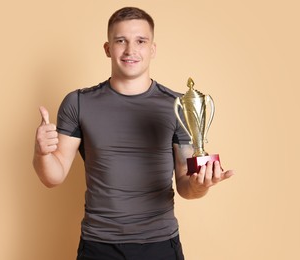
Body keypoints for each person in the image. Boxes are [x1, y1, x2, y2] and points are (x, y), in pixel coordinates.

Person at [33, 6, 234, 260]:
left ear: (152, 49)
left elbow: (186, 186)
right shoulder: (78, 103)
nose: (130, 50)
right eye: (120, 41)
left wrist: (199, 185)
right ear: (108, 48)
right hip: (98, 245)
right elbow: (54, 175)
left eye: (140, 41)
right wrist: (41, 153)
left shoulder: (178, 106)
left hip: (160, 244)